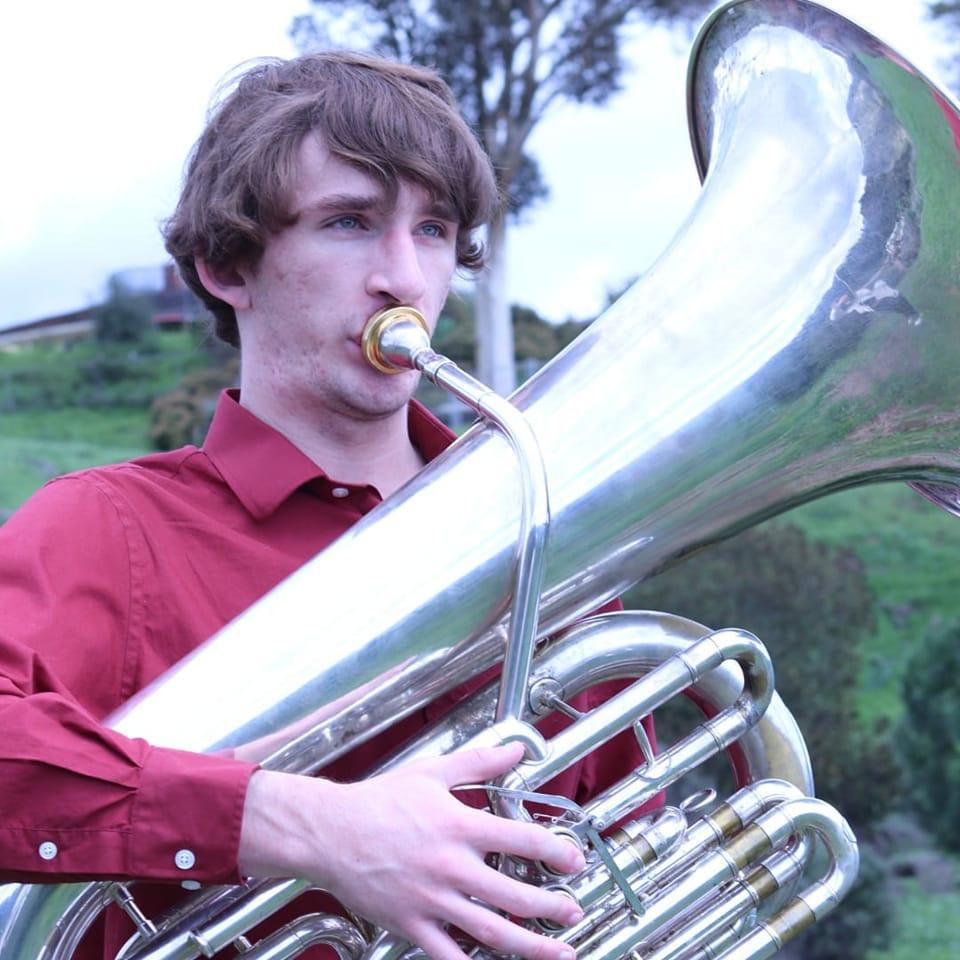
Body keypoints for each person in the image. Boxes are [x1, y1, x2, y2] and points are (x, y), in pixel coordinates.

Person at [0, 52, 657, 960]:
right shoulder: (106, 531)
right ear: (229, 266)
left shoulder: (534, 537)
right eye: (350, 222)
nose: (405, 278)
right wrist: (306, 826)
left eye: (433, 231)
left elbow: (631, 869)